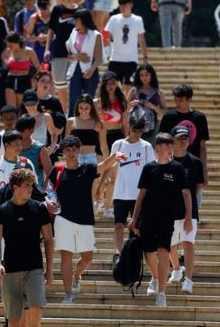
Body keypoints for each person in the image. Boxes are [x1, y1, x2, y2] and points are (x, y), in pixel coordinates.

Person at [0, 167, 53, 327]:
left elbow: (49, 240)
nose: (30, 189)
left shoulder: (39, 209)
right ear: (15, 187)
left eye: (31, 185)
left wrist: (50, 269)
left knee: (37, 304)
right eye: (26, 186)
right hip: (11, 268)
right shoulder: (1, 211)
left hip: (34, 266)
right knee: (13, 316)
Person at [51, 136, 120, 303]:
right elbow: (49, 189)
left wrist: (115, 155)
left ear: (78, 150)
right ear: (63, 151)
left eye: (74, 149)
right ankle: (68, 294)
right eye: (68, 149)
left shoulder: (88, 168)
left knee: (87, 256)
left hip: (85, 218)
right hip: (63, 218)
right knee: (66, 256)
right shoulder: (58, 170)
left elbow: (104, 166)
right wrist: (49, 201)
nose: (71, 152)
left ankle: (77, 275)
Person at [129, 133, 192, 307]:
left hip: (167, 218)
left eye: (171, 146)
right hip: (148, 217)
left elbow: (186, 193)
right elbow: (141, 193)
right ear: (158, 148)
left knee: (164, 253)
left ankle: (162, 293)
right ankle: (155, 278)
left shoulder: (177, 168)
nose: (170, 149)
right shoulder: (149, 168)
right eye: (167, 146)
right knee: (148, 253)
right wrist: (134, 217)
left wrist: (188, 217)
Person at [108, 117, 153, 260]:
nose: (137, 133)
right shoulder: (118, 144)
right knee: (119, 225)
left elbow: (152, 170)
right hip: (121, 192)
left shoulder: (146, 147)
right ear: (128, 126)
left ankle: (134, 256)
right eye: (135, 130)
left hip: (139, 194)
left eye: (141, 131)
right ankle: (117, 255)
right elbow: (109, 165)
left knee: (136, 229)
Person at [167, 125, 204, 294]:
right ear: (172, 140)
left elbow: (198, 187)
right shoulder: (166, 161)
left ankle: (188, 280)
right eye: (180, 138)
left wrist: (194, 210)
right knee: (170, 245)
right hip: (169, 210)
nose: (183, 141)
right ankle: (176, 268)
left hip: (190, 211)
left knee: (188, 243)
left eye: (186, 138)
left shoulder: (195, 162)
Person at [158, 83, 209, 189]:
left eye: (180, 100)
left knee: (193, 201)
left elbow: (202, 146)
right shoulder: (168, 117)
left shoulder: (199, 118)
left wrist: (204, 171)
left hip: (193, 166)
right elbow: (160, 143)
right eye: (175, 100)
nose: (177, 103)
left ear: (189, 99)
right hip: (171, 164)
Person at [96, 71, 128, 216]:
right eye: (108, 83)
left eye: (113, 83)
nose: (110, 86)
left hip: (117, 136)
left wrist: (127, 140)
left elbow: (124, 123)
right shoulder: (97, 102)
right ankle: (98, 200)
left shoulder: (121, 101)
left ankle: (108, 206)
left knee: (113, 176)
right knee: (99, 173)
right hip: (101, 138)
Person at [0, 131, 37, 219]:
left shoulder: (27, 163)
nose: (19, 147)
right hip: (0, 210)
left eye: (20, 144)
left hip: (23, 210)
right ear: (6, 145)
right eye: (16, 144)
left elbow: (34, 186)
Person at [45, 0, 79, 114]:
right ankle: (65, 115)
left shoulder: (80, 11)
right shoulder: (57, 10)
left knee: (75, 86)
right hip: (59, 52)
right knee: (61, 86)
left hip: (76, 54)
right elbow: (51, 31)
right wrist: (47, 49)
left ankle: (74, 113)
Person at [105, 0, 147, 93]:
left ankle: (127, 107)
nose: (123, 7)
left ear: (131, 5)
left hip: (131, 60)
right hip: (115, 58)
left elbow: (141, 39)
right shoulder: (114, 19)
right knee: (111, 85)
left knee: (129, 86)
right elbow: (106, 35)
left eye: (125, 4)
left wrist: (145, 56)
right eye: (121, 5)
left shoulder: (137, 20)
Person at [66, 9, 104, 117]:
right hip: (75, 71)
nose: (74, 22)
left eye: (76, 19)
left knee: (88, 101)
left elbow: (99, 57)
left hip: (90, 71)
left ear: (83, 20)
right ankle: (71, 127)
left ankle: (88, 127)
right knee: (74, 101)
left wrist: (91, 70)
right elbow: (68, 56)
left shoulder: (96, 35)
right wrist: (77, 57)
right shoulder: (73, 33)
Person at [127, 63, 167, 142]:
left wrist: (152, 106)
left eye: (147, 75)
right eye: (141, 75)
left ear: (152, 75)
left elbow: (164, 113)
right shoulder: (133, 91)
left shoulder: (159, 92)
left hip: (152, 128)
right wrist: (132, 104)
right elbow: (125, 110)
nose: (144, 77)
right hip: (134, 127)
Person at [4, 33, 41, 108]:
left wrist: (36, 82)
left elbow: (38, 68)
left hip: (24, 80)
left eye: (11, 45)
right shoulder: (7, 52)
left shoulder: (29, 51)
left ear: (17, 43)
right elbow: (4, 66)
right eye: (7, 45)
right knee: (11, 107)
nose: (9, 47)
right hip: (10, 79)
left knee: (21, 106)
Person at [16, 114, 53, 190]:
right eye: (18, 130)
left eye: (22, 131)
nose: (19, 133)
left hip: (35, 194)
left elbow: (50, 173)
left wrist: (43, 190)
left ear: (31, 131)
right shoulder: (13, 147)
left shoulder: (40, 149)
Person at [24, 0, 52, 64]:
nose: (44, 12)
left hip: (53, 52)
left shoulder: (55, 16)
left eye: (46, 8)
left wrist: (48, 37)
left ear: (49, 5)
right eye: (42, 9)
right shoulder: (34, 18)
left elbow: (61, 35)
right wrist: (37, 38)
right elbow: (27, 37)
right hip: (38, 53)